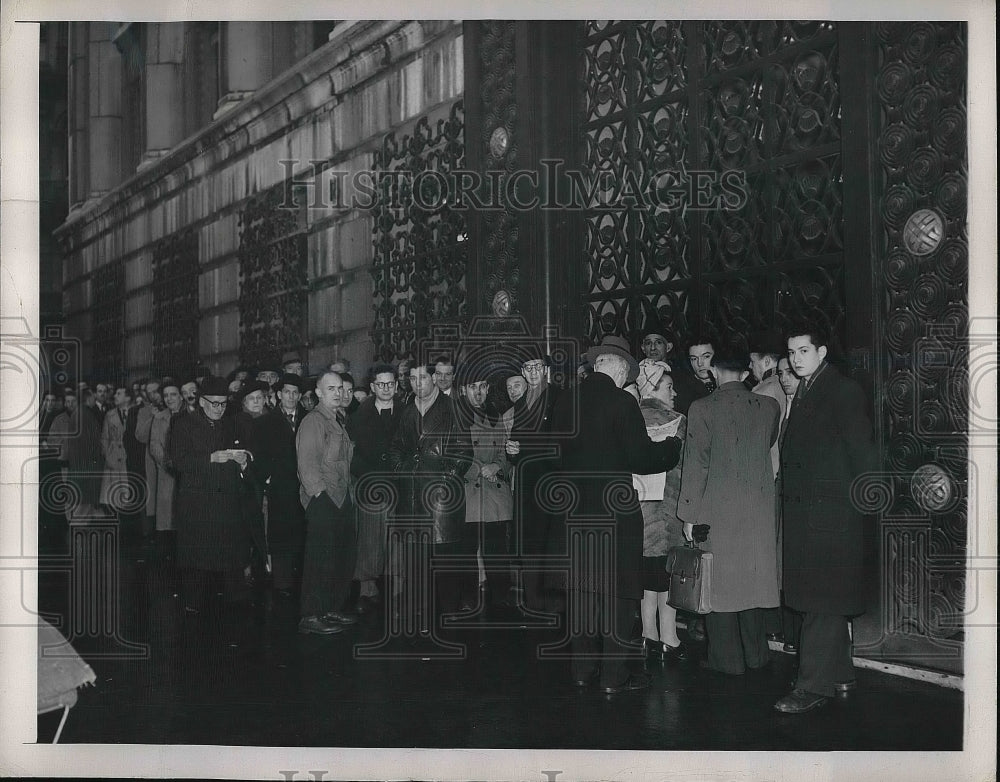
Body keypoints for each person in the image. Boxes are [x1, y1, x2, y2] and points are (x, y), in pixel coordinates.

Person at [551, 335, 682, 694]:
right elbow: (641, 457)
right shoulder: (622, 401)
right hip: (614, 512)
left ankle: (581, 671)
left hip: (574, 513)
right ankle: (614, 677)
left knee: (581, 595)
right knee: (617, 596)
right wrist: (672, 446)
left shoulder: (564, 401)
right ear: (621, 368)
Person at [774, 324, 878, 714]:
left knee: (822, 602)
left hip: (832, 515)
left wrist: (862, 508)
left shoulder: (841, 390)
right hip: (814, 514)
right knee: (824, 597)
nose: (795, 358)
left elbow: (863, 454)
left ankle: (811, 686)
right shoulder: (806, 389)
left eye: (803, 350)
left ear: (822, 353)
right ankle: (841, 674)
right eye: (792, 351)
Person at [677, 343, 780, 676]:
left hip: (716, 509)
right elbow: (766, 444)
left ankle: (727, 661)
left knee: (719, 585)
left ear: (714, 371)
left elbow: (696, 464)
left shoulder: (702, 408)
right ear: (746, 372)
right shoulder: (769, 406)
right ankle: (756, 655)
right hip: (759, 509)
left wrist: (689, 516)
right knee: (750, 581)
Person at [388, 362, 470, 625]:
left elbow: (464, 451)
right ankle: (418, 613)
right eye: (411, 378)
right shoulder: (408, 410)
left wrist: (444, 481)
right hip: (412, 495)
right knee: (416, 561)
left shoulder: (452, 408)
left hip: (441, 497)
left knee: (445, 559)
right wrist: (404, 470)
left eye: (422, 377)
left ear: (434, 378)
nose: (416, 382)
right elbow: (397, 447)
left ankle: (449, 615)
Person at [167, 376, 255, 615]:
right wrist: (210, 458)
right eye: (214, 403)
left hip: (226, 500)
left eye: (223, 404)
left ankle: (234, 603)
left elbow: (245, 452)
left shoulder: (230, 424)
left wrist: (243, 460)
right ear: (202, 401)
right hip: (198, 502)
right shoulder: (183, 424)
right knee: (198, 556)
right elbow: (177, 461)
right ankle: (192, 605)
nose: (219, 409)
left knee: (230, 552)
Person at [632, 360, 689, 661]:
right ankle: (669, 637)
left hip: (636, 512)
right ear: (653, 387)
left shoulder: (630, 418)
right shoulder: (677, 421)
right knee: (667, 577)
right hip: (668, 511)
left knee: (645, 578)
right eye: (668, 386)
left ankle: (646, 635)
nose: (674, 392)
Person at [295, 371, 358, 635]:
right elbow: (307, 464)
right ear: (318, 393)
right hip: (323, 499)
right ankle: (311, 615)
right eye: (330, 388)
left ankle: (331, 608)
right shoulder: (314, 421)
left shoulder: (338, 420)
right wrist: (319, 496)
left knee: (340, 556)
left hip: (342, 498)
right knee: (319, 558)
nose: (338, 393)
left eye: (341, 388)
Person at [505, 345, 562, 612]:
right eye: (528, 368)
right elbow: (517, 444)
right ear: (522, 372)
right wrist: (512, 451)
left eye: (538, 366)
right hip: (527, 483)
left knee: (551, 542)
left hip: (552, 481)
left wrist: (526, 448)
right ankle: (533, 599)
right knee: (529, 542)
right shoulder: (519, 405)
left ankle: (554, 601)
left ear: (547, 370)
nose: (533, 372)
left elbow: (563, 443)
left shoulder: (561, 398)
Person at [454, 362, 514, 614]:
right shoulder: (456, 416)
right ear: (463, 390)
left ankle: (501, 595)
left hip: (494, 490)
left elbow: (504, 451)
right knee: (467, 549)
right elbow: (452, 453)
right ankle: (467, 596)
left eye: (481, 387)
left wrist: (496, 466)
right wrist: (477, 468)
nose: (477, 392)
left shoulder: (495, 415)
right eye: (472, 387)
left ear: (488, 388)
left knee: (497, 547)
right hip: (469, 491)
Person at [344, 364, 402, 611]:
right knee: (370, 538)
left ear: (397, 386)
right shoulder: (358, 417)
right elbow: (351, 454)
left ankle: (400, 590)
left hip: (401, 484)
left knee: (399, 538)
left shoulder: (408, 413)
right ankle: (367, 590)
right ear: (372, 387)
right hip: (371, 485)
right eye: (381, 384)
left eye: (390, 384)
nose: (386, 388)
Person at [255, 373, 308, 598]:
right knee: (281, 534)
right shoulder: (265, 422)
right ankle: (282, 583)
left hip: (305, 485)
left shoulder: (308, 418)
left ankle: (301, 582)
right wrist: (268, 478)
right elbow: (260, 455)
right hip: (280, 486)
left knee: (303, 533)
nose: (291, 396)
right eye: (287, 392)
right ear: (278, 395)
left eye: (295, 392)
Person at [773, 356, 803, 654]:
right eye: (781, 373)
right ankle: (791, 632)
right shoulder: (786, 408)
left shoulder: (806, 407)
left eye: (790, 373)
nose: (784, 378)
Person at [149, 381, 185, 559]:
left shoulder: (189, 416)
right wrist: (168, 463)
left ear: (181, 396)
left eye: (173, 394)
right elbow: (154, 444)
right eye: (166, 395)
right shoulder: (159, 418)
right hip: (167, 472)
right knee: (167, 516)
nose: (169, 399)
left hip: (187, 472)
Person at [99, 386, 132, 515]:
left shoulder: (136, 413)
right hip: (113, 459)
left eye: (119, 393)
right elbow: (104, 438)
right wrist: (107, 456)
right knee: (112, 497)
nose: (115, 396)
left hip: (128, 458)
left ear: (128, 398)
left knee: (128, 495)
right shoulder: (110, 414)